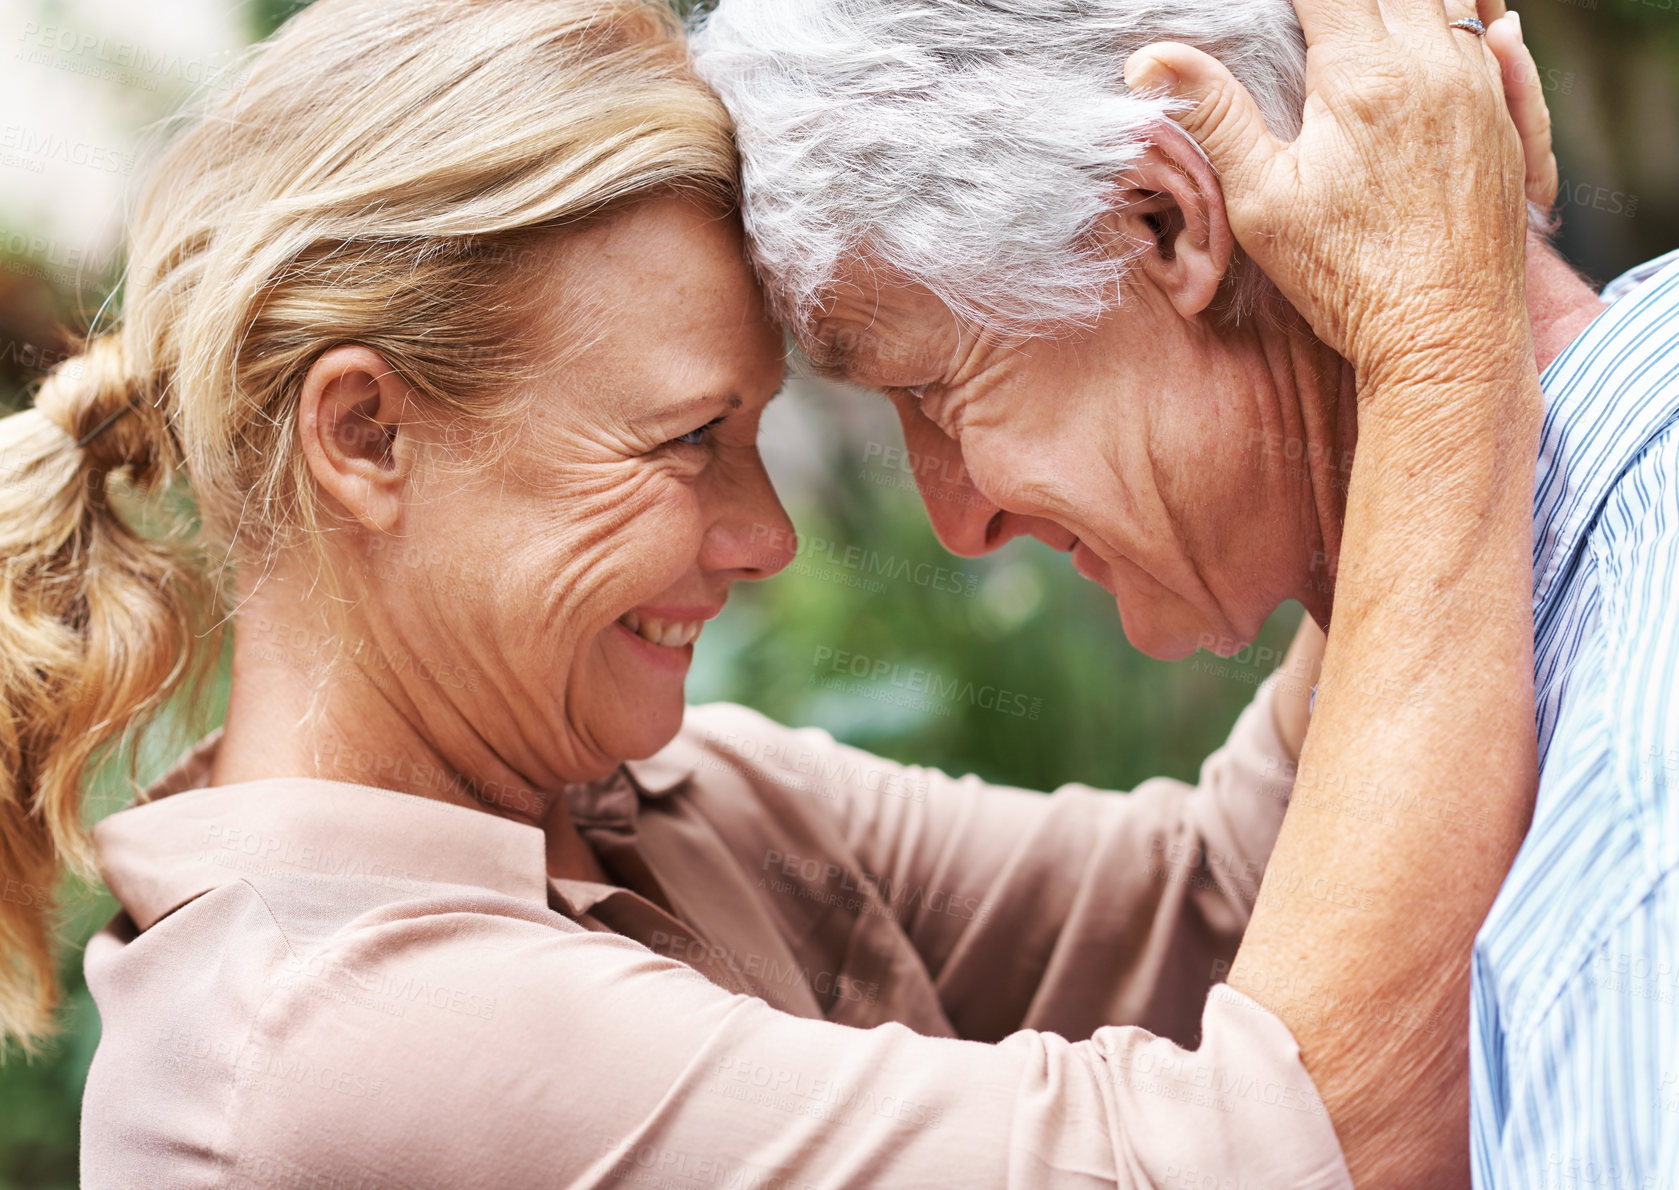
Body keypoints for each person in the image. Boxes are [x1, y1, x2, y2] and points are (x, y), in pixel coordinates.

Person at [0, 0, 1539, 1186]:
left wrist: (1324, 342)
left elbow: (1222, 895)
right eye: (689, 441)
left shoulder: (662, 799)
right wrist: (1433, 335)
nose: (767, 533)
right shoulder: (330, 1036)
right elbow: (1286, 1145)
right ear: (366, 434)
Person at [693, 0, 1678, 1183]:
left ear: (1164, 218)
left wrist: (1426, 334)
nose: (959, 521)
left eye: (935, 391)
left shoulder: (1630, 822)